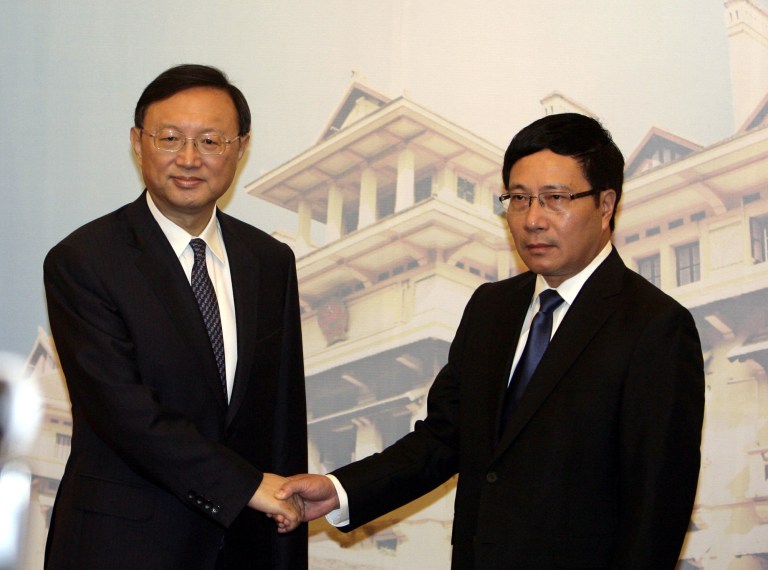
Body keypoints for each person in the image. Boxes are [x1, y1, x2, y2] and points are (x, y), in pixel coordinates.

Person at [278, 113, 705, 569]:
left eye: (555, 198)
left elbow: (655, 513)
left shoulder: (655, 327)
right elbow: (443, 439)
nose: (533, 219)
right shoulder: (491, 308)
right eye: (518, 199)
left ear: (605, 204)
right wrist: (340, 490)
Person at [43, 64, 307, 569]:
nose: (189, 159)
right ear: (138, 142)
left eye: (211, 140)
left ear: (240, 147)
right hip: (124, 547)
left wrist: (284, 531)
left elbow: (281, 419)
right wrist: (247, 486)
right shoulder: (84, 260)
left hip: (243, 545)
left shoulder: (269, 261)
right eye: (170, 138)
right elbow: (125, 412)